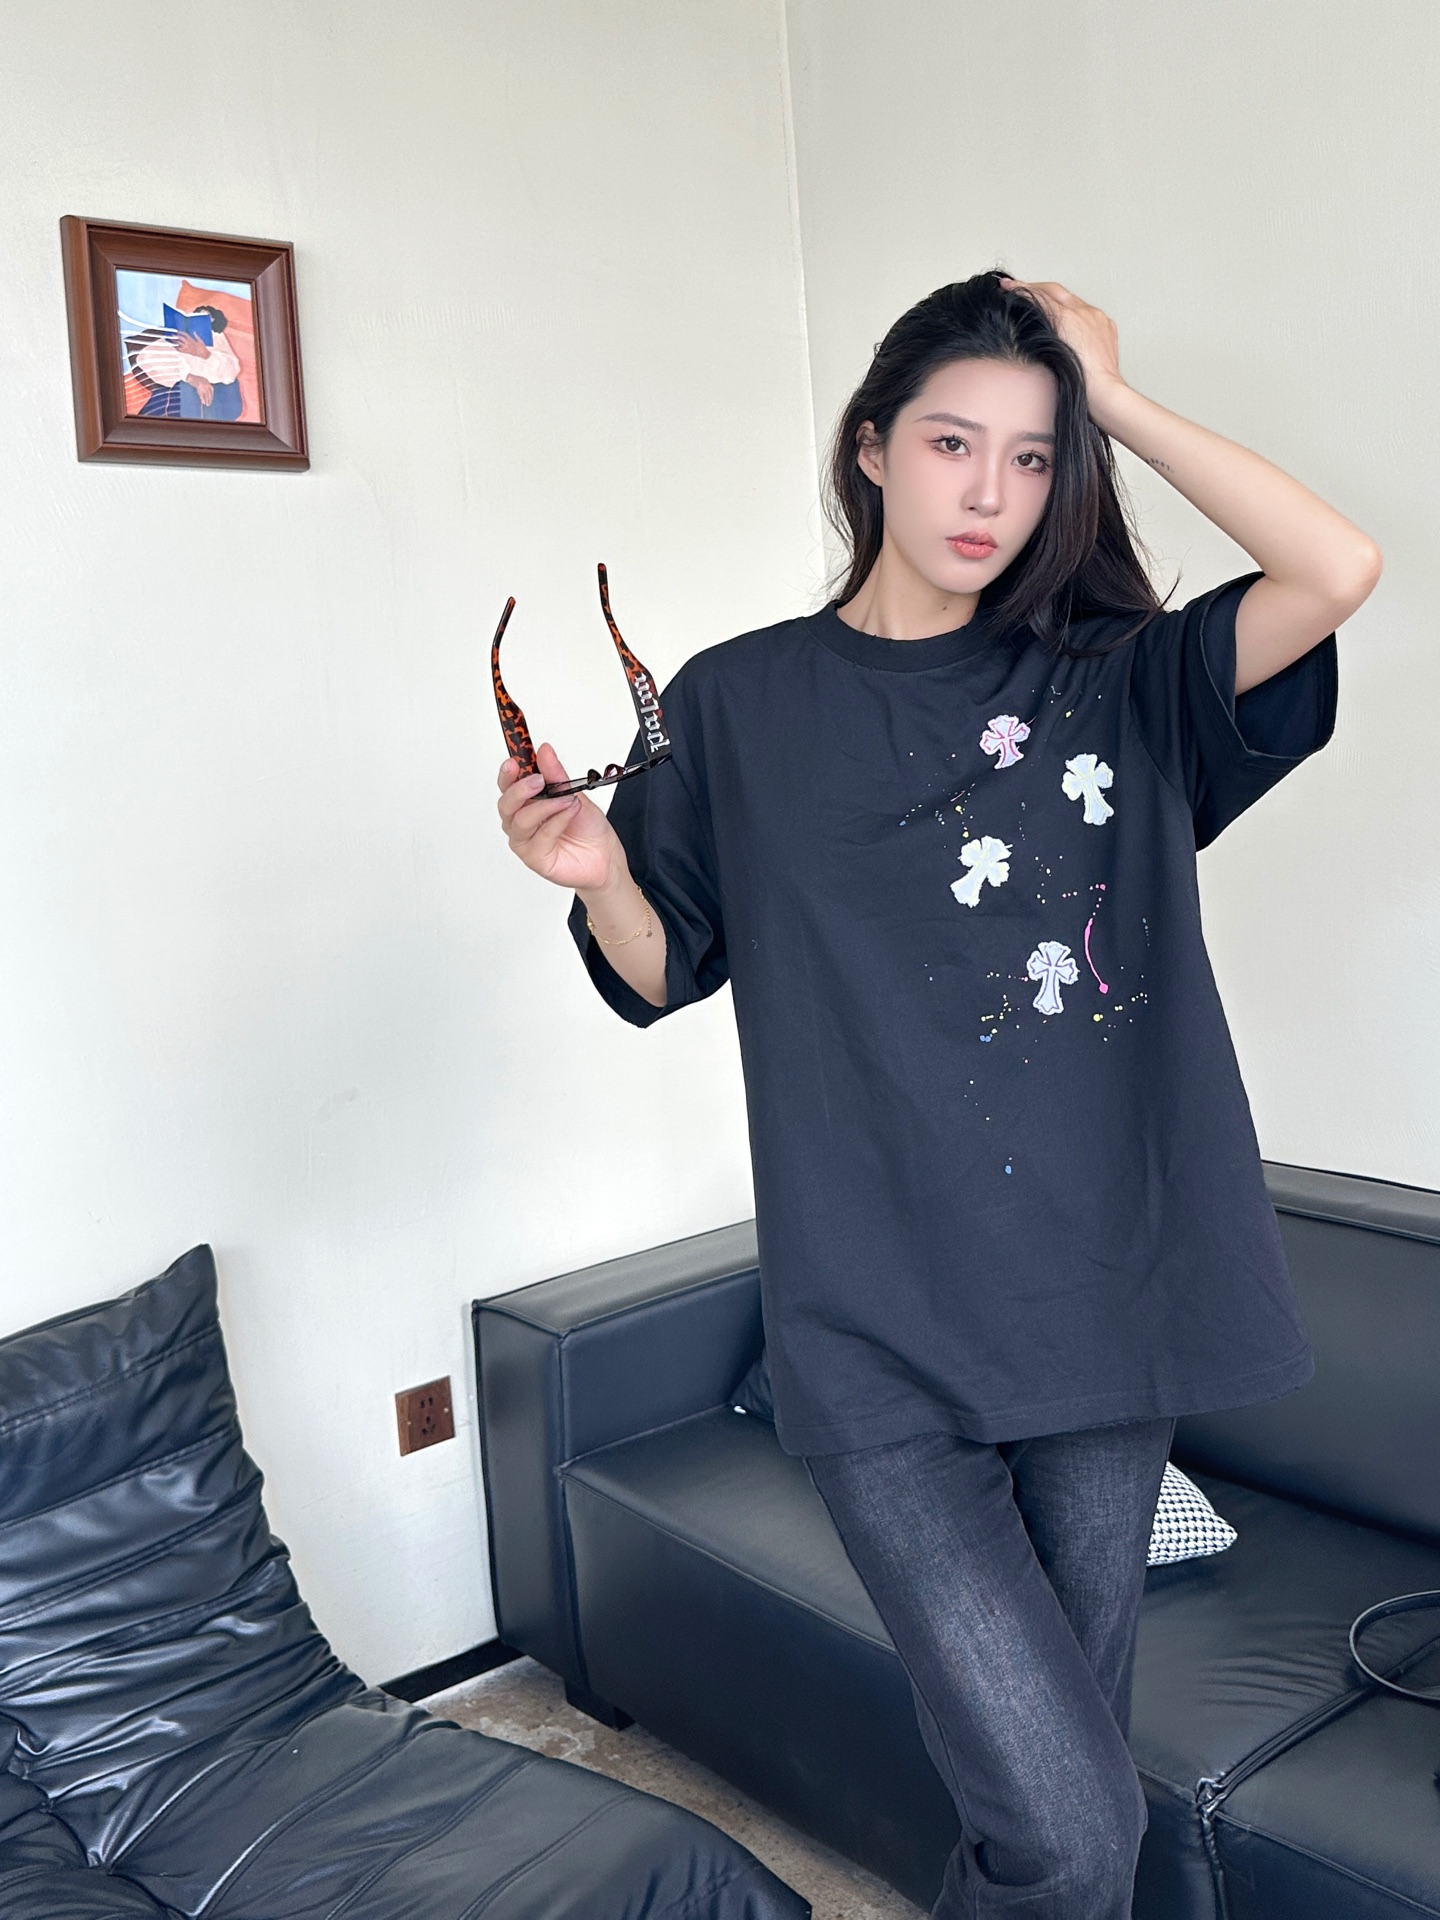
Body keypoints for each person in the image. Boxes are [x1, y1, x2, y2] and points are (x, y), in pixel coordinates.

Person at [495, 271, 1380, 1919]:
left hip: (1105, 1312)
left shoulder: (1115, 680)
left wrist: (1114, 397)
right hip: (876, 1329)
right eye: (953, 442)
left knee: (1054, 1813)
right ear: (871, 449)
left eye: (1034, 458)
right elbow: (660, 966)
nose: (991, 492)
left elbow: (1339, 570)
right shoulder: (741, 700)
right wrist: (600, 873)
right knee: (1077, 1831)